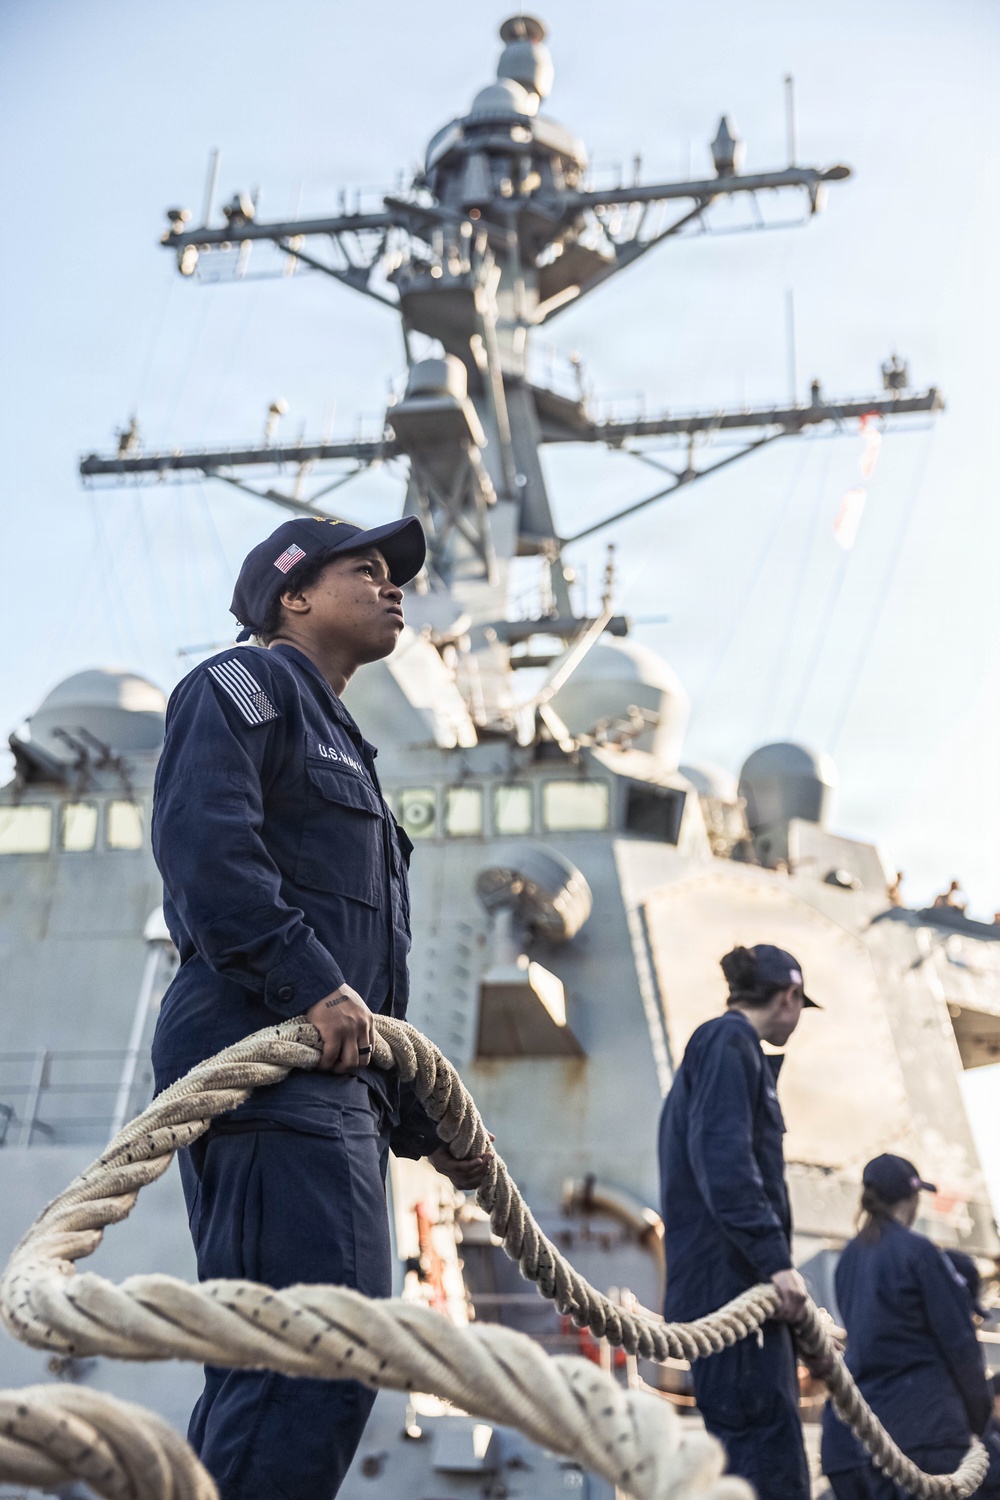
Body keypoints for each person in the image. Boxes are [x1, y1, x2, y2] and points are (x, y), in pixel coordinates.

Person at [151, 515, 493, 1500]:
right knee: (317, 1355)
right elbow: (208, 855)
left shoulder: (338, 733)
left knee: (284, 1361)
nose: (394, 590)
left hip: (323, 1082)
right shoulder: (245, 686)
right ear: (292, 596)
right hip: (270, 1062)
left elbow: (360, 981)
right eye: (368, 571)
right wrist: (305, 982)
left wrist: (430, 1127)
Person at [658, 943, 822, 1500]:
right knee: (766, 1463)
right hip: (736, 1290)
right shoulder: (731, 1042)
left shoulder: (721, 1045)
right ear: (789, 997)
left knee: (752, 1456)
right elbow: (725, 1161)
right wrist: (776, 1264)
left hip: (730, 1290)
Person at [821, 1155, 992, 1499]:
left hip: (873, 1436)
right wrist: (981, 1420)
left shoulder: (848, 1261)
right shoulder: (921, 1254)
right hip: (931, 1431)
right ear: (912, 1198)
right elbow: (960, 1345)